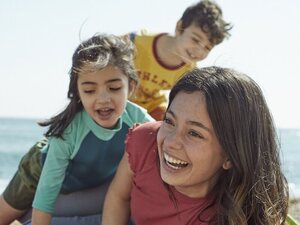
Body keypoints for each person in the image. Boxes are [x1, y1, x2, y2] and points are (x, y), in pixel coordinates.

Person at [102, 67, 289, 225]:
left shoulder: (231, 216)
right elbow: (119, 196)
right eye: (169, 121)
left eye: (194, 133)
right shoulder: (146, 140)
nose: (170, 142)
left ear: (230, 156)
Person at [0, 33, 154, 225]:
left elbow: (162, 143)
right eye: (90, 90)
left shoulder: (138, 119)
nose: (103, 99)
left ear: (130, 87)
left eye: (114, 88)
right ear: (78, 92)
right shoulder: (68, 132)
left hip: (86, 184)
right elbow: (45, 197)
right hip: (39, 169)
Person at [128, 0, 232, 120]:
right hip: (122, 99)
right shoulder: (135, 42)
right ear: (179, 27)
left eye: (207, 48)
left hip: (152, 108)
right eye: (195, 40)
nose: (199, 51)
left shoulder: (190, 73)